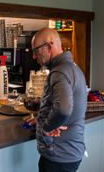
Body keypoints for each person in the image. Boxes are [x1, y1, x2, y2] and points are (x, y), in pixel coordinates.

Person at [27, 28, 87, 172]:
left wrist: (47, 127)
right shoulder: (74, 68)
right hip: (70, 152)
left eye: (36, 51)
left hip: (58, 154)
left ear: (48, 46)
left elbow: (63, 109)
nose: (34, 56)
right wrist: (41, 119)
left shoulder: (59, 72)